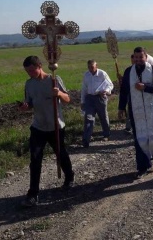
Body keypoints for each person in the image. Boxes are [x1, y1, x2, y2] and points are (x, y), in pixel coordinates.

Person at [19, 56, 74, 207]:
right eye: (27, 71)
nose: (30, 73)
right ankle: (33, 194)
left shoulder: (53, 80)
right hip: (38, 126)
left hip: (55, 125)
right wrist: (25, 106)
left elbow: (67, 99)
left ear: (40, 66)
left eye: (32, 70)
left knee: (61, 153)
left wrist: (59, 94)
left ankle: (69, 177)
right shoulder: (29, 84)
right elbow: (30, 103)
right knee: (35, 159)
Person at [118, 47, 153, 179]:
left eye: (141, 57)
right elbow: (124, 91)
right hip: (136, 111)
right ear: (133, 58)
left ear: (146, 57)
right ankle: (143, 167)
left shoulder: (152, 69)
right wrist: (121, 108)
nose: (138, 60)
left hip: (150, 108)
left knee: (152, 133)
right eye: (136, 57)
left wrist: (146, 87)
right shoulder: (129, 71)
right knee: (139, 137)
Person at [81, 60, 114, 147]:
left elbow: (110, 84)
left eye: (92, 67)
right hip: (89, 98)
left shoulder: (102, 74)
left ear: (96, 66)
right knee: (88, 118)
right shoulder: (86, 75)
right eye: (89, 67)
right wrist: (82, 101)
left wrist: (106, 91)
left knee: (103, 116)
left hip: (100, 98)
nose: (90, 69)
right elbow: (84, 89)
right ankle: (86, 139)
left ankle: (106, 134)